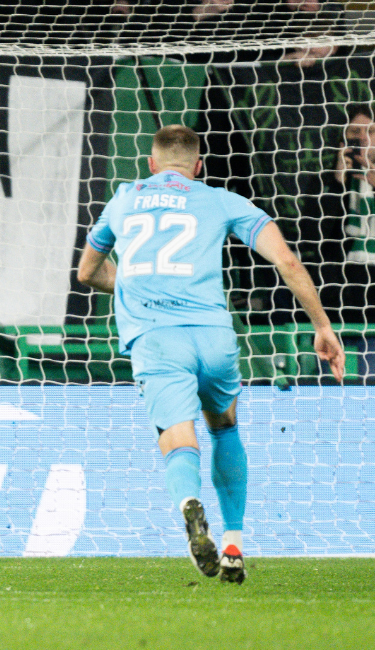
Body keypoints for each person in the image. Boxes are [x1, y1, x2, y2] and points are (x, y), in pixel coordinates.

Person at [76, 124, 344, 585]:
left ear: (151, 164)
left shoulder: (122, 199)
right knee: (224, 428)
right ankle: (235, 542)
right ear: (199, 166)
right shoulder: (220, 199)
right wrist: (322, 325)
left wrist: (141, 286)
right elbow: (288, 262)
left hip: (158, 341)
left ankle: (189, 506)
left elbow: (87, 272)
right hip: (214, 338)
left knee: (179, 441)